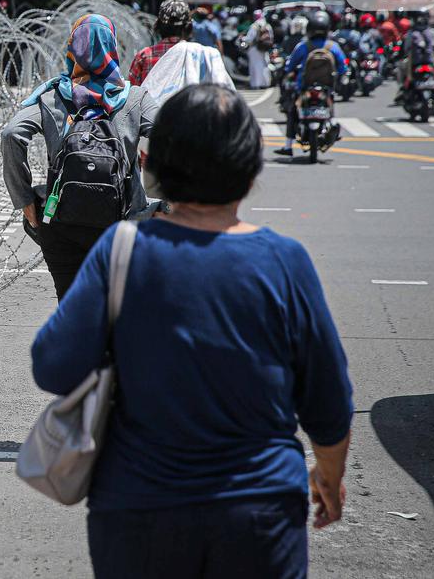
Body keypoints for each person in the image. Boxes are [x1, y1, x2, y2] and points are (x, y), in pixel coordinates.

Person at [31, 84, 353, 579]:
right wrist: (328, 479)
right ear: (250, 171)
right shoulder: (284, 262)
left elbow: (53, 365)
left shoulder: (123, 250)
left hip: (139, 510)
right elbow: (328, 401)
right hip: (260, 512)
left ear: (154, 166)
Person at [1, 14, 161, 300]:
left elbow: (11, 135)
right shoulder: (134, 98)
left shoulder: (53, 96)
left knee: (71, 308)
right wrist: (166, 205)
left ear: (72, 49)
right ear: (111, 47)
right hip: (121, 223)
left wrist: (26, 202)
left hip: (61, 221)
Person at [276, 10, 346, 157]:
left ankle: (288, 146)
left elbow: (289, 66)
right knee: (330, 104)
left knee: (292, 112)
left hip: (304, 87)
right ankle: (332, 125)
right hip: (327, 88)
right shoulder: (333, 47)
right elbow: (342, 67)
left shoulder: (303, 46)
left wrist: (289, 73)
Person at [127, 0, 191, 86]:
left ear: (158, 25)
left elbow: (133, 91)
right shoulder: (193, 55)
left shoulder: (144, 56)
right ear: (188, 27)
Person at [395, 11, 434, 103]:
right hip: (428, 60)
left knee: (400, 65)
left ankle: (402, 87)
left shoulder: (411, 33)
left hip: (417, 61)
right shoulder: (432, 32)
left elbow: (406, 49)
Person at [244, 9, 273, 89]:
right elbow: (271, 37)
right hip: (264, 48)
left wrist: (243, 39)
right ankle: (266, 83)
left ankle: (256, 84)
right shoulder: (267, 25)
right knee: (264, 65)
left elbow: (249, 39)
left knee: (255, 66)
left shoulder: (254, 26)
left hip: (255, 49)